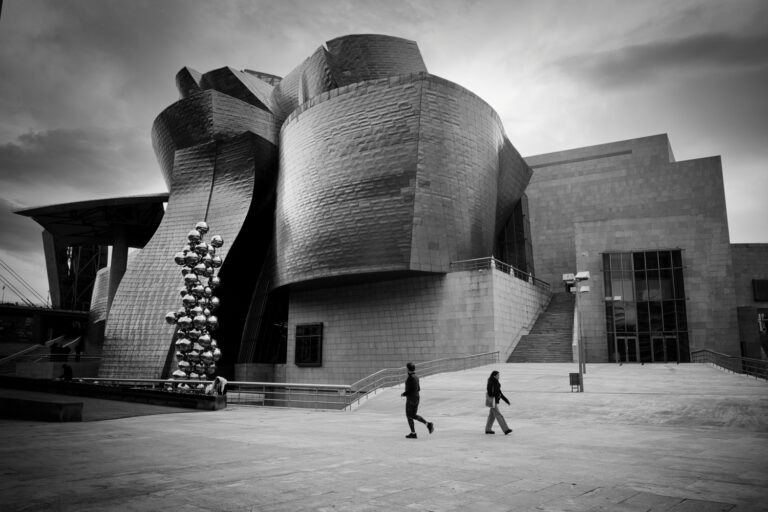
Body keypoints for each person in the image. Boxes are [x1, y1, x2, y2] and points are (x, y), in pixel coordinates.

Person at [401, 362, 434, 439]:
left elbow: (411, 389)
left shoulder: (410, 378)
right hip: (416, 398)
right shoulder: (416, 377)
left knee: (409, 416)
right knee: (413, 415)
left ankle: (413, 433)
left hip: (411, 399)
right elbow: (418, 388)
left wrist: (404, 394)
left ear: (408, 369)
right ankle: (427, 424)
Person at [486, 370, 512, 435]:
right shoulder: (491, 382)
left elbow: (500, 392)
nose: (499, 376)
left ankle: (488, 429)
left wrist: (506, 400)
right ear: (494, 376)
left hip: (495, 401)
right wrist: (497, 394)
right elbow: (490, 393)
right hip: (492, 401)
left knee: (492, 416)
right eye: (498, 375)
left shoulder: (496, 382)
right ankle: (506, 429)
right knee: (498, 415)